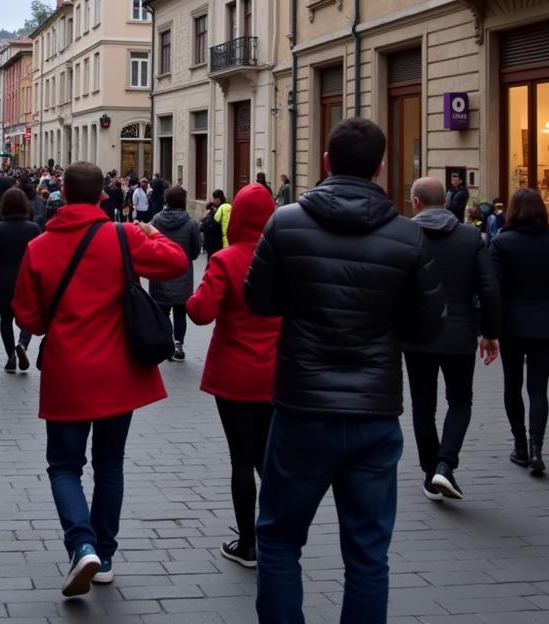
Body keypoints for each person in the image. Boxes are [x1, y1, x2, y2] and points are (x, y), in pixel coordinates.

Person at [245, 117, 442, 624]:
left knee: (280, 539)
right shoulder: (408, 237)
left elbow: (259, 301)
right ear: (380, 168)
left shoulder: (285, 222)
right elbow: (426, 328)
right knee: (368, 555)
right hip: (374, 413)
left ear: (327, 163)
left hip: (302, 408)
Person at [13, 161, 188, 599]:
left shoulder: (39, 246)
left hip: (68, 373)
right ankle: (104, 555)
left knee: (64, 466)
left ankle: (81, 542)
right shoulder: (122, 236)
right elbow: (177, 261)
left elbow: (28, 317)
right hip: (118, 373)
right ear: (101, 197)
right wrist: (149, 231)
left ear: (61, 195)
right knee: (110, 464)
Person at [186, 182, 279, 569]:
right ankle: (278, 532)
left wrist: (193, 295)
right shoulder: (287, 258)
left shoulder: (226, 259)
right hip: (278, 374)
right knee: (270, 458)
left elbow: (201, 312)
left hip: (235, 375)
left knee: (241, 459)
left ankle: (248, 544)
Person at [403, 177, 501, 502]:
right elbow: (489, 288)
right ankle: (445, 465)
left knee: (422, 406)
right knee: (460, 401)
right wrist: (490, 333)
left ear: (416, 203)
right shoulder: (470, 236)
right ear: (446, 202)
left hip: (416, 335)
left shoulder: (405, 236)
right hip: (460, 334)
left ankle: (431, 473)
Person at [489, 187, 549, 475]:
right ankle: (537, 448)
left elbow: (493, 288)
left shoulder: (502, 243)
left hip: (511, 325)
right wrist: (545, 292)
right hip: (545, 324)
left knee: (512, 386)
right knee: (538, 389)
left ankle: (520, 447)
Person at [0, 187, 40, 372]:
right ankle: (23, 344)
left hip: (4, 279)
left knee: (5, 320)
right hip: (27, 279)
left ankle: (10, 357)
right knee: (29, 318)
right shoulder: (33, 228)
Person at [150, 185, 201, 361]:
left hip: (161, 273)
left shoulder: (156, 221)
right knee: (180, 312)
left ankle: (166, 343)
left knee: (162, 312)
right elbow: (195, 251)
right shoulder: (191, 223)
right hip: (182, 275)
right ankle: (178, 344)